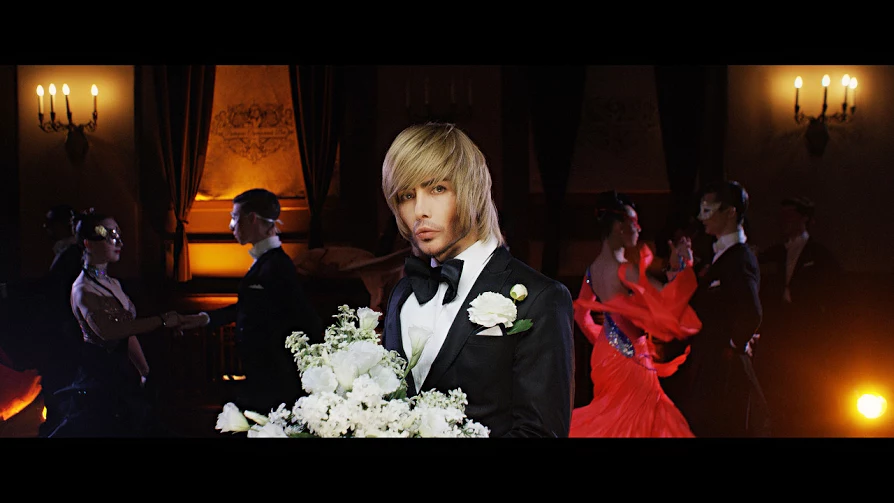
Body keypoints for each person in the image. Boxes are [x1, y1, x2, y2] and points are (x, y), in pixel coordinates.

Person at [380, 122, 574, 438]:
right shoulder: (404, 293)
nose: (419, 210)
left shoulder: (541, 298)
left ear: (470, 191)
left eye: (437, 189)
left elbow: (539, 433)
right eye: (406, 195)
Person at [48, 209, 197, 437]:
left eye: (118, 235)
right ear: (88, 243)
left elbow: (127, 332)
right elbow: (110, 331)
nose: (119, 242)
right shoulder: (83, 289)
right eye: (109, 236)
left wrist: (144, 370)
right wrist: (161, 321)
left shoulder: (114, 284)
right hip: (98, 380)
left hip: (122, 376)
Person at [569, 190, 702, 437]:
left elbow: (580, 316)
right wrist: (681, 266)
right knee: (644, 420)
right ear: (619, 227)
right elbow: (668, 305)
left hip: (604, 356)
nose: (639, 229)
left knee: (617, 420)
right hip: (630, 358)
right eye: (635, 222)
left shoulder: (592, 271)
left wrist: (608, 342)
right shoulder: (624, 270)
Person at [190, 188, 323, 415]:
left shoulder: (278, 266)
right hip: (263, 377)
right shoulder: (267, 262)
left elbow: (305, 320)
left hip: (274, 381)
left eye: (235, 217)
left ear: (252, 218)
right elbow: (250, 307)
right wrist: (204, 318)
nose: (231, 225)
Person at [662, 180, 769, 438]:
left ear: (730, 212)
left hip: (724, 372)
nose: (701, 217)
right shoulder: (718, 256)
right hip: (709, 366)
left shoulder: (739, 257)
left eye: (708, 210)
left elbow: (751, 312)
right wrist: (680, 268)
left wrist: (734, 344)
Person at [756, 195, 842, 436]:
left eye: (790, 216)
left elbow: (833, 294)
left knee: (805, 380)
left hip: (807, 330)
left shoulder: (819, 255)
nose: (784, 221)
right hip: (780, 329)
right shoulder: (775, 253)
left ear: (804, 219)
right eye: (782, 216)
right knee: (780, 379)